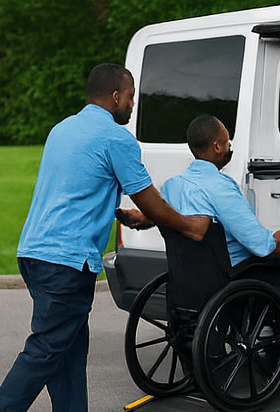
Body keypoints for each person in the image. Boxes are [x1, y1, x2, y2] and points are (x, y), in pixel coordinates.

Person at [0, 63, 209, 412]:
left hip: (35, 253)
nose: (132, 104)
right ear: (114, 96)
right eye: (130, 97)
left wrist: (132, 216)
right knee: (47, 349)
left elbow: (77, 188)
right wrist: (187, 226)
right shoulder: (116, 138)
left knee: (68, 349)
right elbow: (149, 200)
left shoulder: (62, 129)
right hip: (66, 262)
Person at [160, 114, 280, 304]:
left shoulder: (170, 186)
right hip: (235, 274)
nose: (229, 147)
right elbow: (262, 246)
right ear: (217, 146)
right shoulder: (221, 187)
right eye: (227, 142)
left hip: (192, 277)